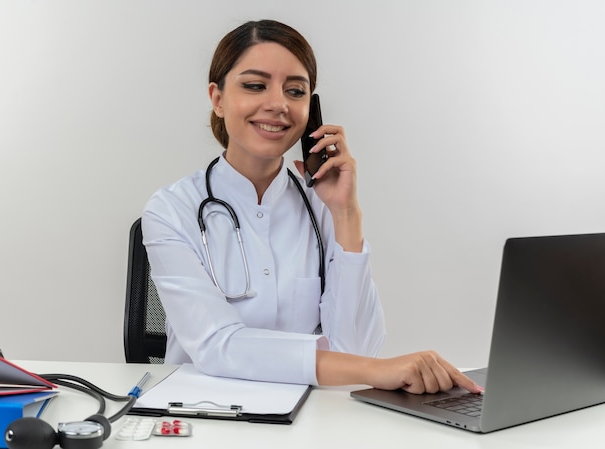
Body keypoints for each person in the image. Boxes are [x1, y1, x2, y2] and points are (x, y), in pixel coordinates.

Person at [142, 19, 482, 395]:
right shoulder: (171, 210)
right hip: (204, 412)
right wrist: (375, 370)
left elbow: (356, 352)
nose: (278, 104)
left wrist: (346, 215)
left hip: (310, 414)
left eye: (295, 91)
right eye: (255, 85)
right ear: (218, 99)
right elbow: (217, 346)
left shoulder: (323, 206)